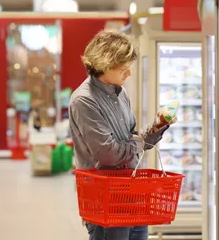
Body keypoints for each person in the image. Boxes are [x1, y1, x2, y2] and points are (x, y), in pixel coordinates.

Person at [69, 31, 170, 240]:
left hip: (132, 196)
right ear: (104, 64)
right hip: (105, 200)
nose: (129, 74)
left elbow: (131, 138)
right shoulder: (84, 100)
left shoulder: (120, 93)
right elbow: (109, 154)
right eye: (123, 68)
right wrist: (138, 143)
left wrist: (157, 126)